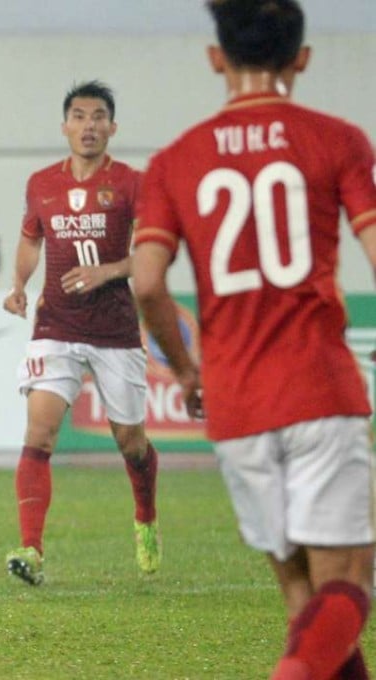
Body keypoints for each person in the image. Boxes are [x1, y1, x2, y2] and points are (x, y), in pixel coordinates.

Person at [132, 1, 376, 677]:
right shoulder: (339, 140)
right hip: (319, 388)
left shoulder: (175, 161)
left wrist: (184, 370)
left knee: (306, 602)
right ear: (302, 59)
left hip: (236, 405)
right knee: (350, 581)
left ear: (217, 59)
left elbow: (147, 282)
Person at [2, 80, 160, 586]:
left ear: (112, 127)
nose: (88, 125)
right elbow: (31, 239)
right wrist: (19, 284)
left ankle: (145, 518)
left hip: (115, 330)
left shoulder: (133, 183)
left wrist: (109, 270)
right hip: (57, 325)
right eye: (78, 115)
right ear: (65, 124)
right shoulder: (42, 182)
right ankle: (31, 548)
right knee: (40, 431)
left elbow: (157, 251)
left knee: (130, 441)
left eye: (98, 117)